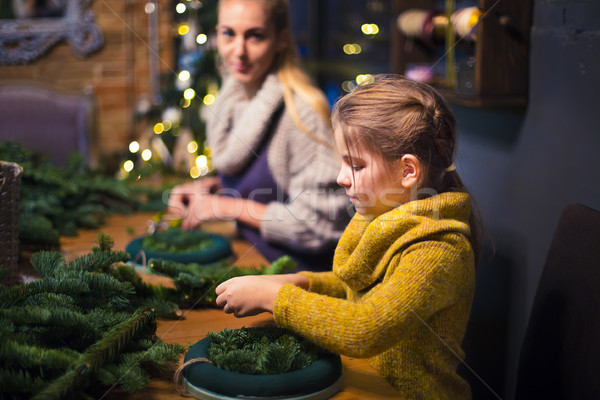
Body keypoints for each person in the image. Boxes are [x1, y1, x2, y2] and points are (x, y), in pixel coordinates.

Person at [215, 74, 483, 399]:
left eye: (356, 166)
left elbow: (365, 327)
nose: (342, 178)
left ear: (408, 171)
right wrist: (303, 282)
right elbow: (360, 291)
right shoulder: (387, 214)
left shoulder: (439, 249)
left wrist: (275, 299)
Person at [167, 0, 350, 271]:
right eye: (228, 33)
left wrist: (226, 207)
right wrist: (213, 188)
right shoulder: (230, 99)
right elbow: (273, 186)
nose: (238, 52)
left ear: (280, 40)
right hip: (252, 257)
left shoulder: (301, 112)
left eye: (255, 36)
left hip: (295, 278)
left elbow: (322, 225)